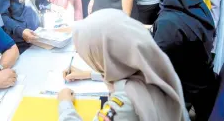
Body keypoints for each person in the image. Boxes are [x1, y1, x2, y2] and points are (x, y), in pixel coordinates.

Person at [58, 9, 188, 121]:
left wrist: (65, 104)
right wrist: (89, 74)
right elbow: (124, 74)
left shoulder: (123, 103)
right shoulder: (153, 66)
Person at [152, 0, 219, 120]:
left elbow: (151, 65)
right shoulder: (197, 4)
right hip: (204, 88)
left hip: (181, 97)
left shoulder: (170, 21)